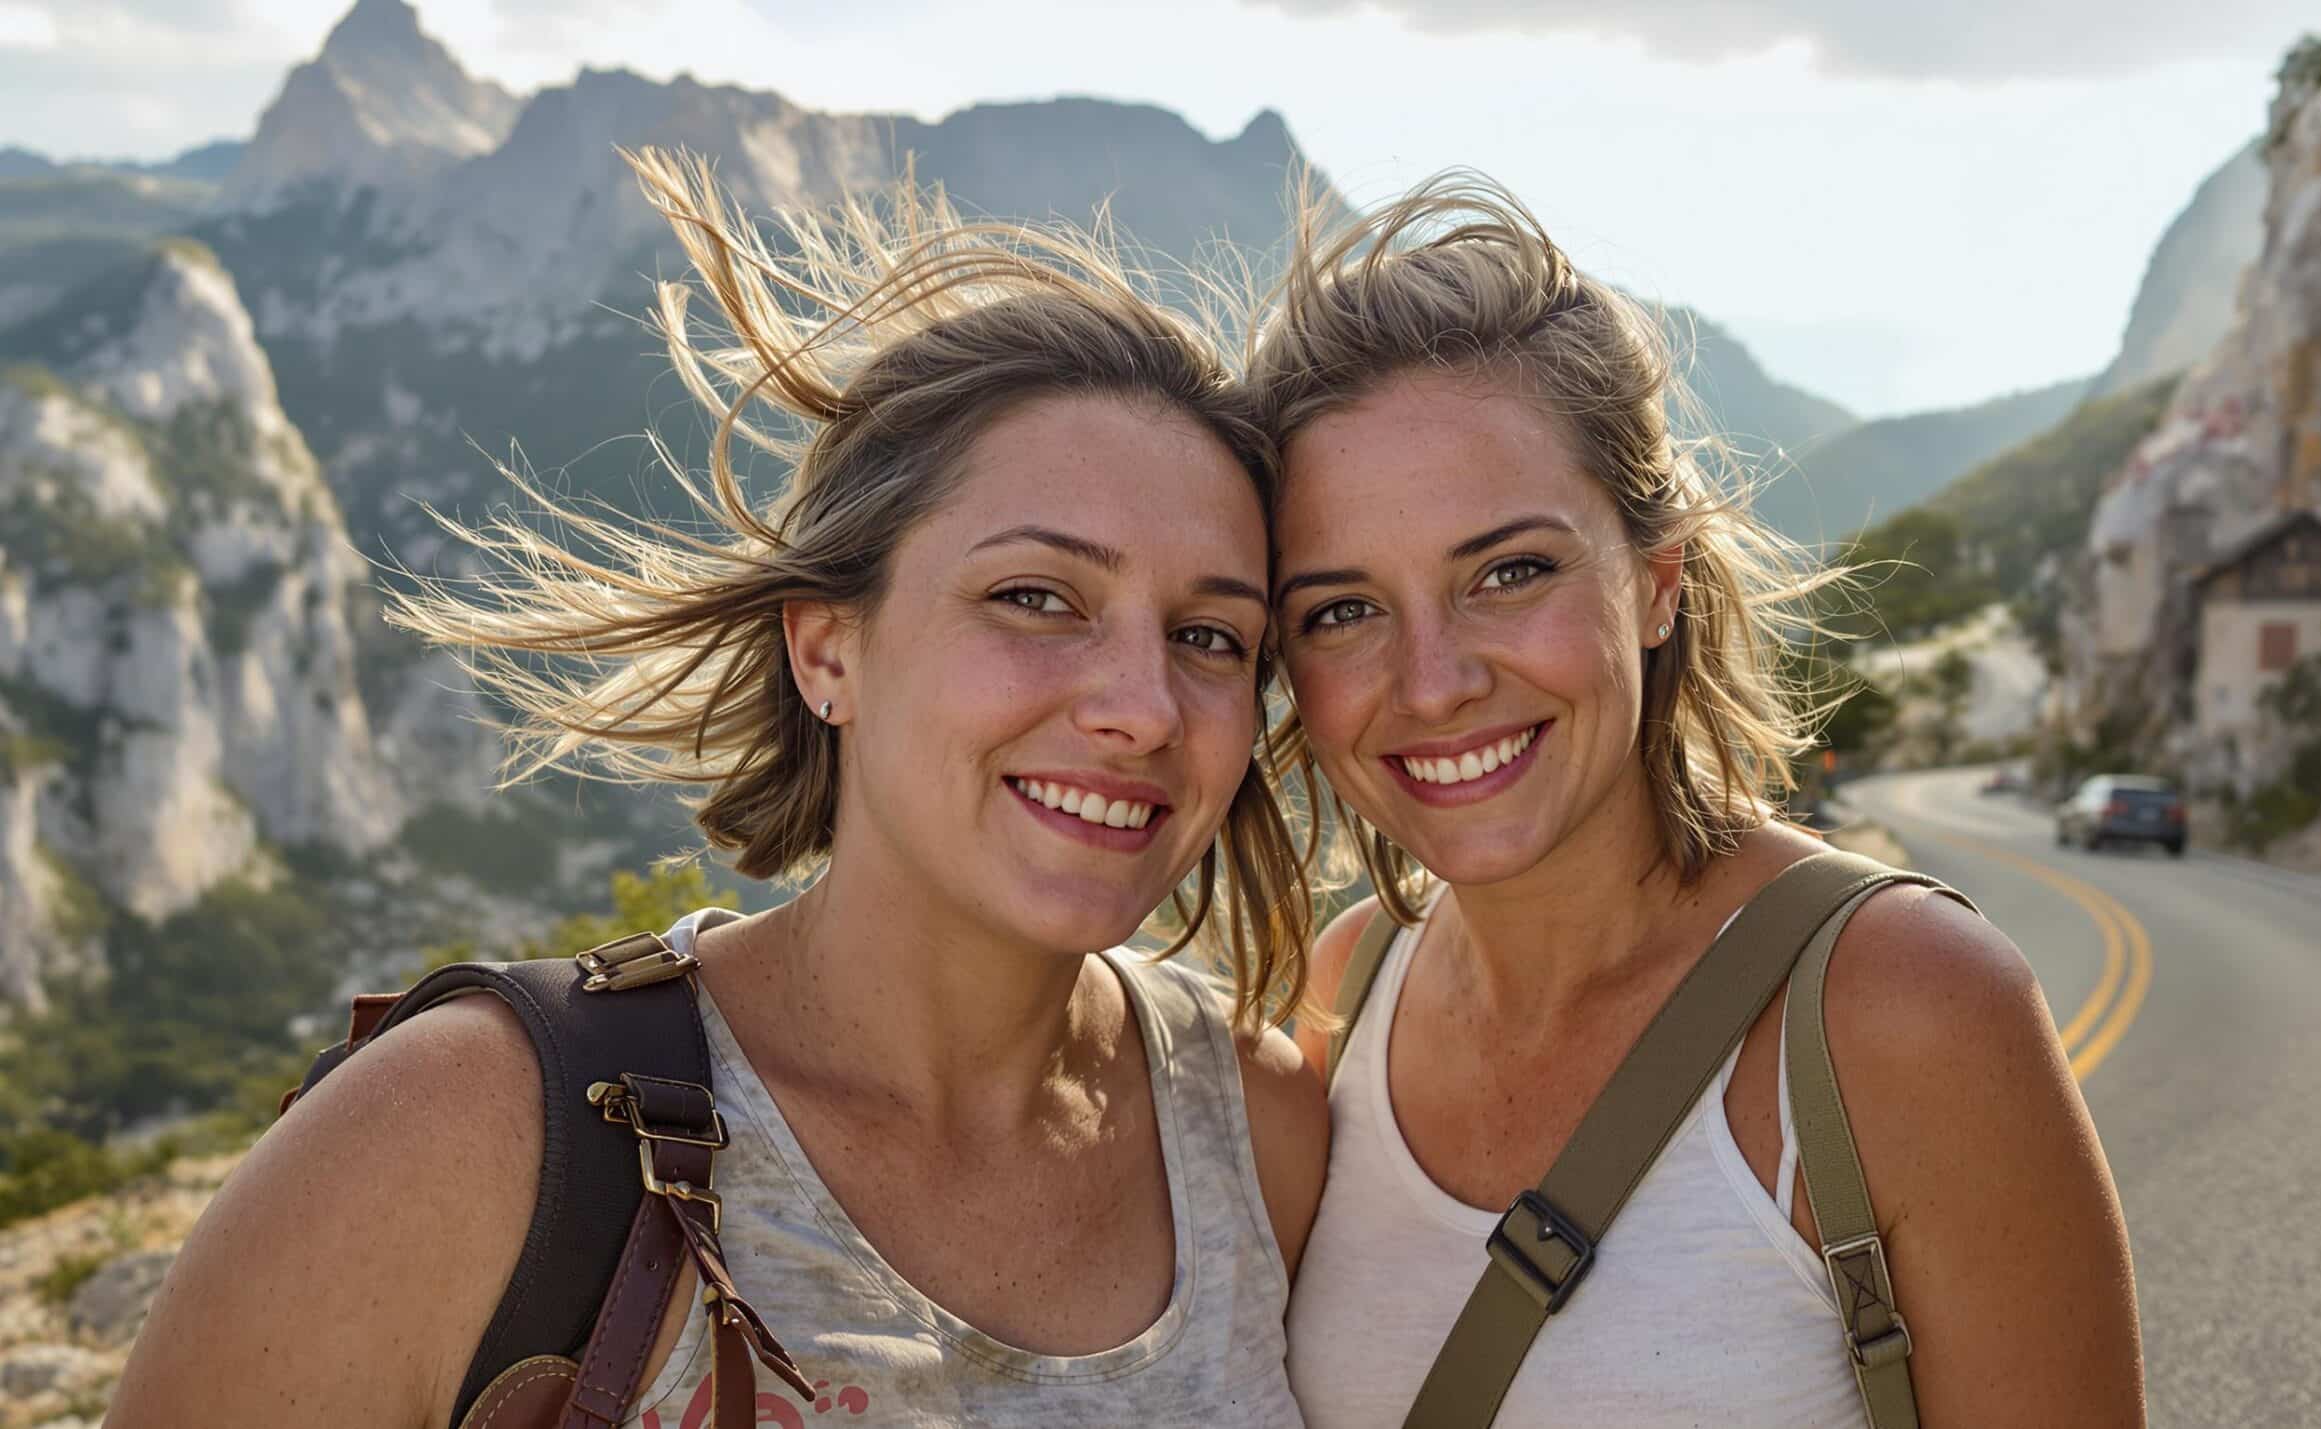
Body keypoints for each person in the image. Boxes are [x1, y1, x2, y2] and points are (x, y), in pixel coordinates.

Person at [107, 149, 1327, 1429]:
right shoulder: (462, 1138)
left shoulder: (1257, 1127)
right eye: (1034, 597)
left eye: (1210, 636)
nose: (1141, 706)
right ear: (826, 649)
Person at [1254, 175, 2144, 1427]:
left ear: (1657, 581)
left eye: (1508, 572)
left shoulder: (1901, 1008)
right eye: (1343, 609)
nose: (1435, 682)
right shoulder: (1342, 1003)